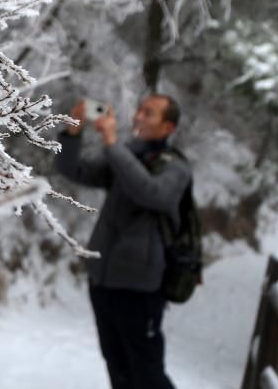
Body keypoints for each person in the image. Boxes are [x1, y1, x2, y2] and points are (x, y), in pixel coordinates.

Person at [54, 94, 191, 389]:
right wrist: (73, 132)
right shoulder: (127, 154)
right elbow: (73, 170)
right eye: (139, 110)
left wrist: (113, 144)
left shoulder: (176, 168)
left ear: (167, 127)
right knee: (117, 365)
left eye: (149, 113)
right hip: (103, 280)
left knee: (147, 371)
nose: (138, 117)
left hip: (140, 286)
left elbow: (151, 193)